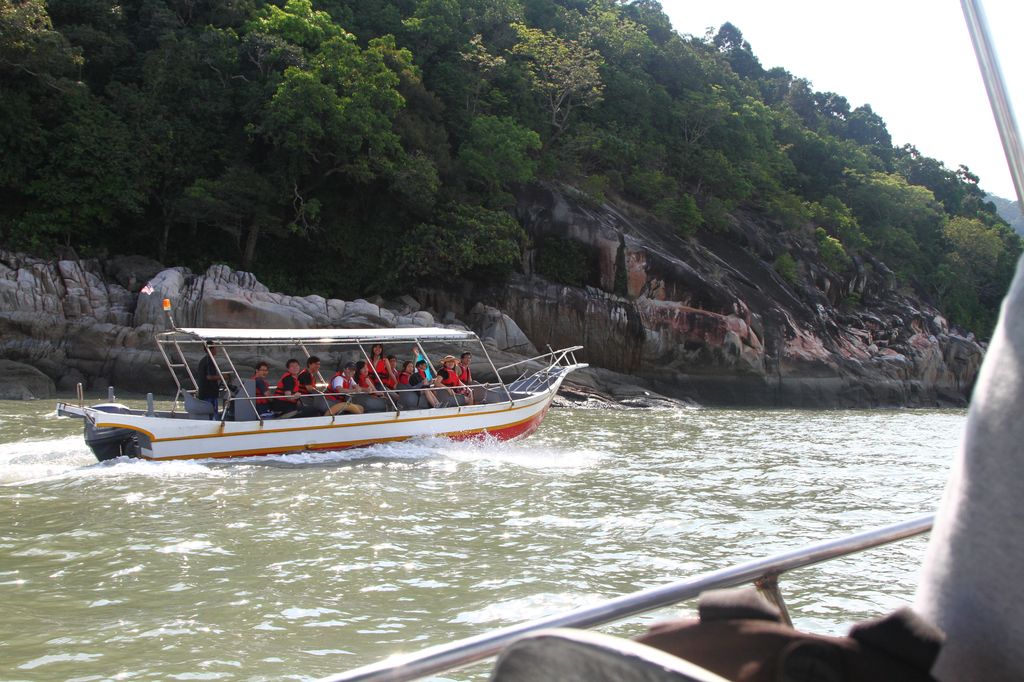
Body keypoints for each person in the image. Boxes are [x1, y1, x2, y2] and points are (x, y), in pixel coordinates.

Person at [195, 343, 223, 418]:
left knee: (207, 414)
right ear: (211, 349)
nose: (216, 349)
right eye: (215, 347)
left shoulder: (203, 360)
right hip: (210, 393)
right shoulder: (209, 360)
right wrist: (223, 377)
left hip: (203, 392)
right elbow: (209, 377)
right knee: (212, 414)